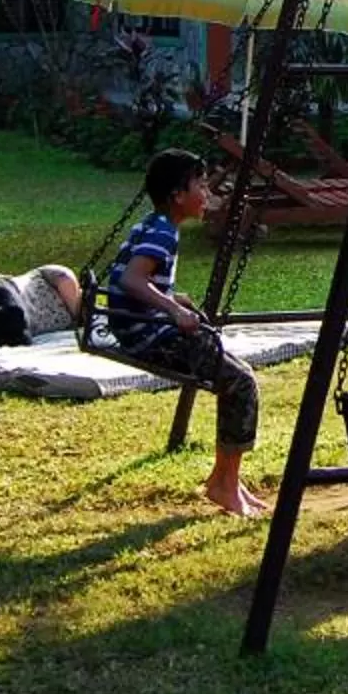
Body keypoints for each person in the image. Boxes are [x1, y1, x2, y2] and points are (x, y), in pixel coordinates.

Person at [104, 148, 266, 518]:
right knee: (241, 382)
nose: (207, 192)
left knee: (236, 373)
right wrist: (173, 309)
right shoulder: (163, 233)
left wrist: (172, 297)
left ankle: (227, 479)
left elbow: (132, 278)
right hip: (149, 338)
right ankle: (223, 484)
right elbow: (131, 280)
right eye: (201, 185)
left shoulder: (153, 224)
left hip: (142, 328)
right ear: (178, 195)